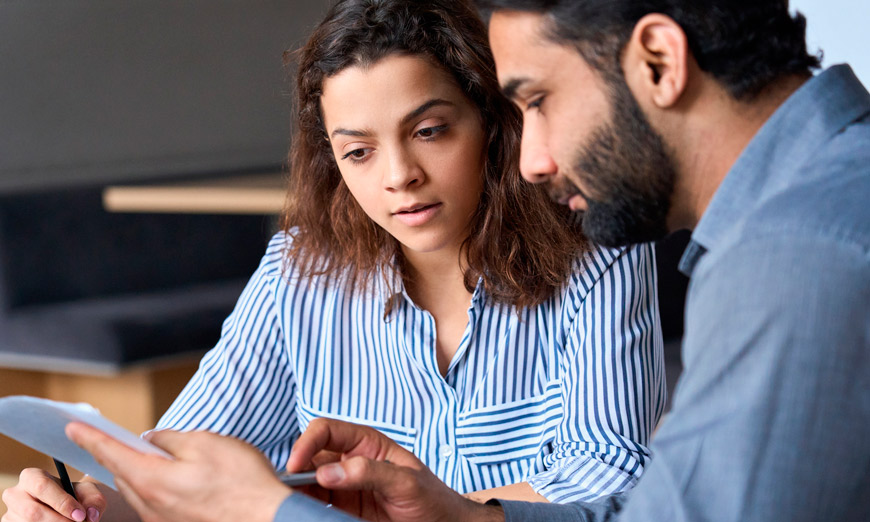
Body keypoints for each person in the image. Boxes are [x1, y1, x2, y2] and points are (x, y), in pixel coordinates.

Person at [48, 0, 870, 521]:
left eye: (536, 101)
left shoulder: (792, 260)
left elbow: (630, 492)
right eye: (358, 151)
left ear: (660, 60)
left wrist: (272, 512)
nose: (537, 158)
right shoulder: (798, 226)